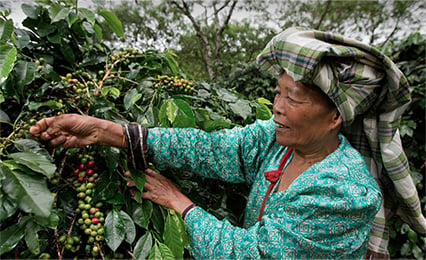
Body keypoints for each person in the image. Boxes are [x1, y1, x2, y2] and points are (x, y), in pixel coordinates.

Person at [29, 27, 425, 259]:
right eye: (278, 92)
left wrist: (181, 203)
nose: (277, 108)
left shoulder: (346, 193)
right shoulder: (278, 141)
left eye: (293, 98)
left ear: (335, 116)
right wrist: (107, 131)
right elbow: (212, 148)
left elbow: (252, 254)